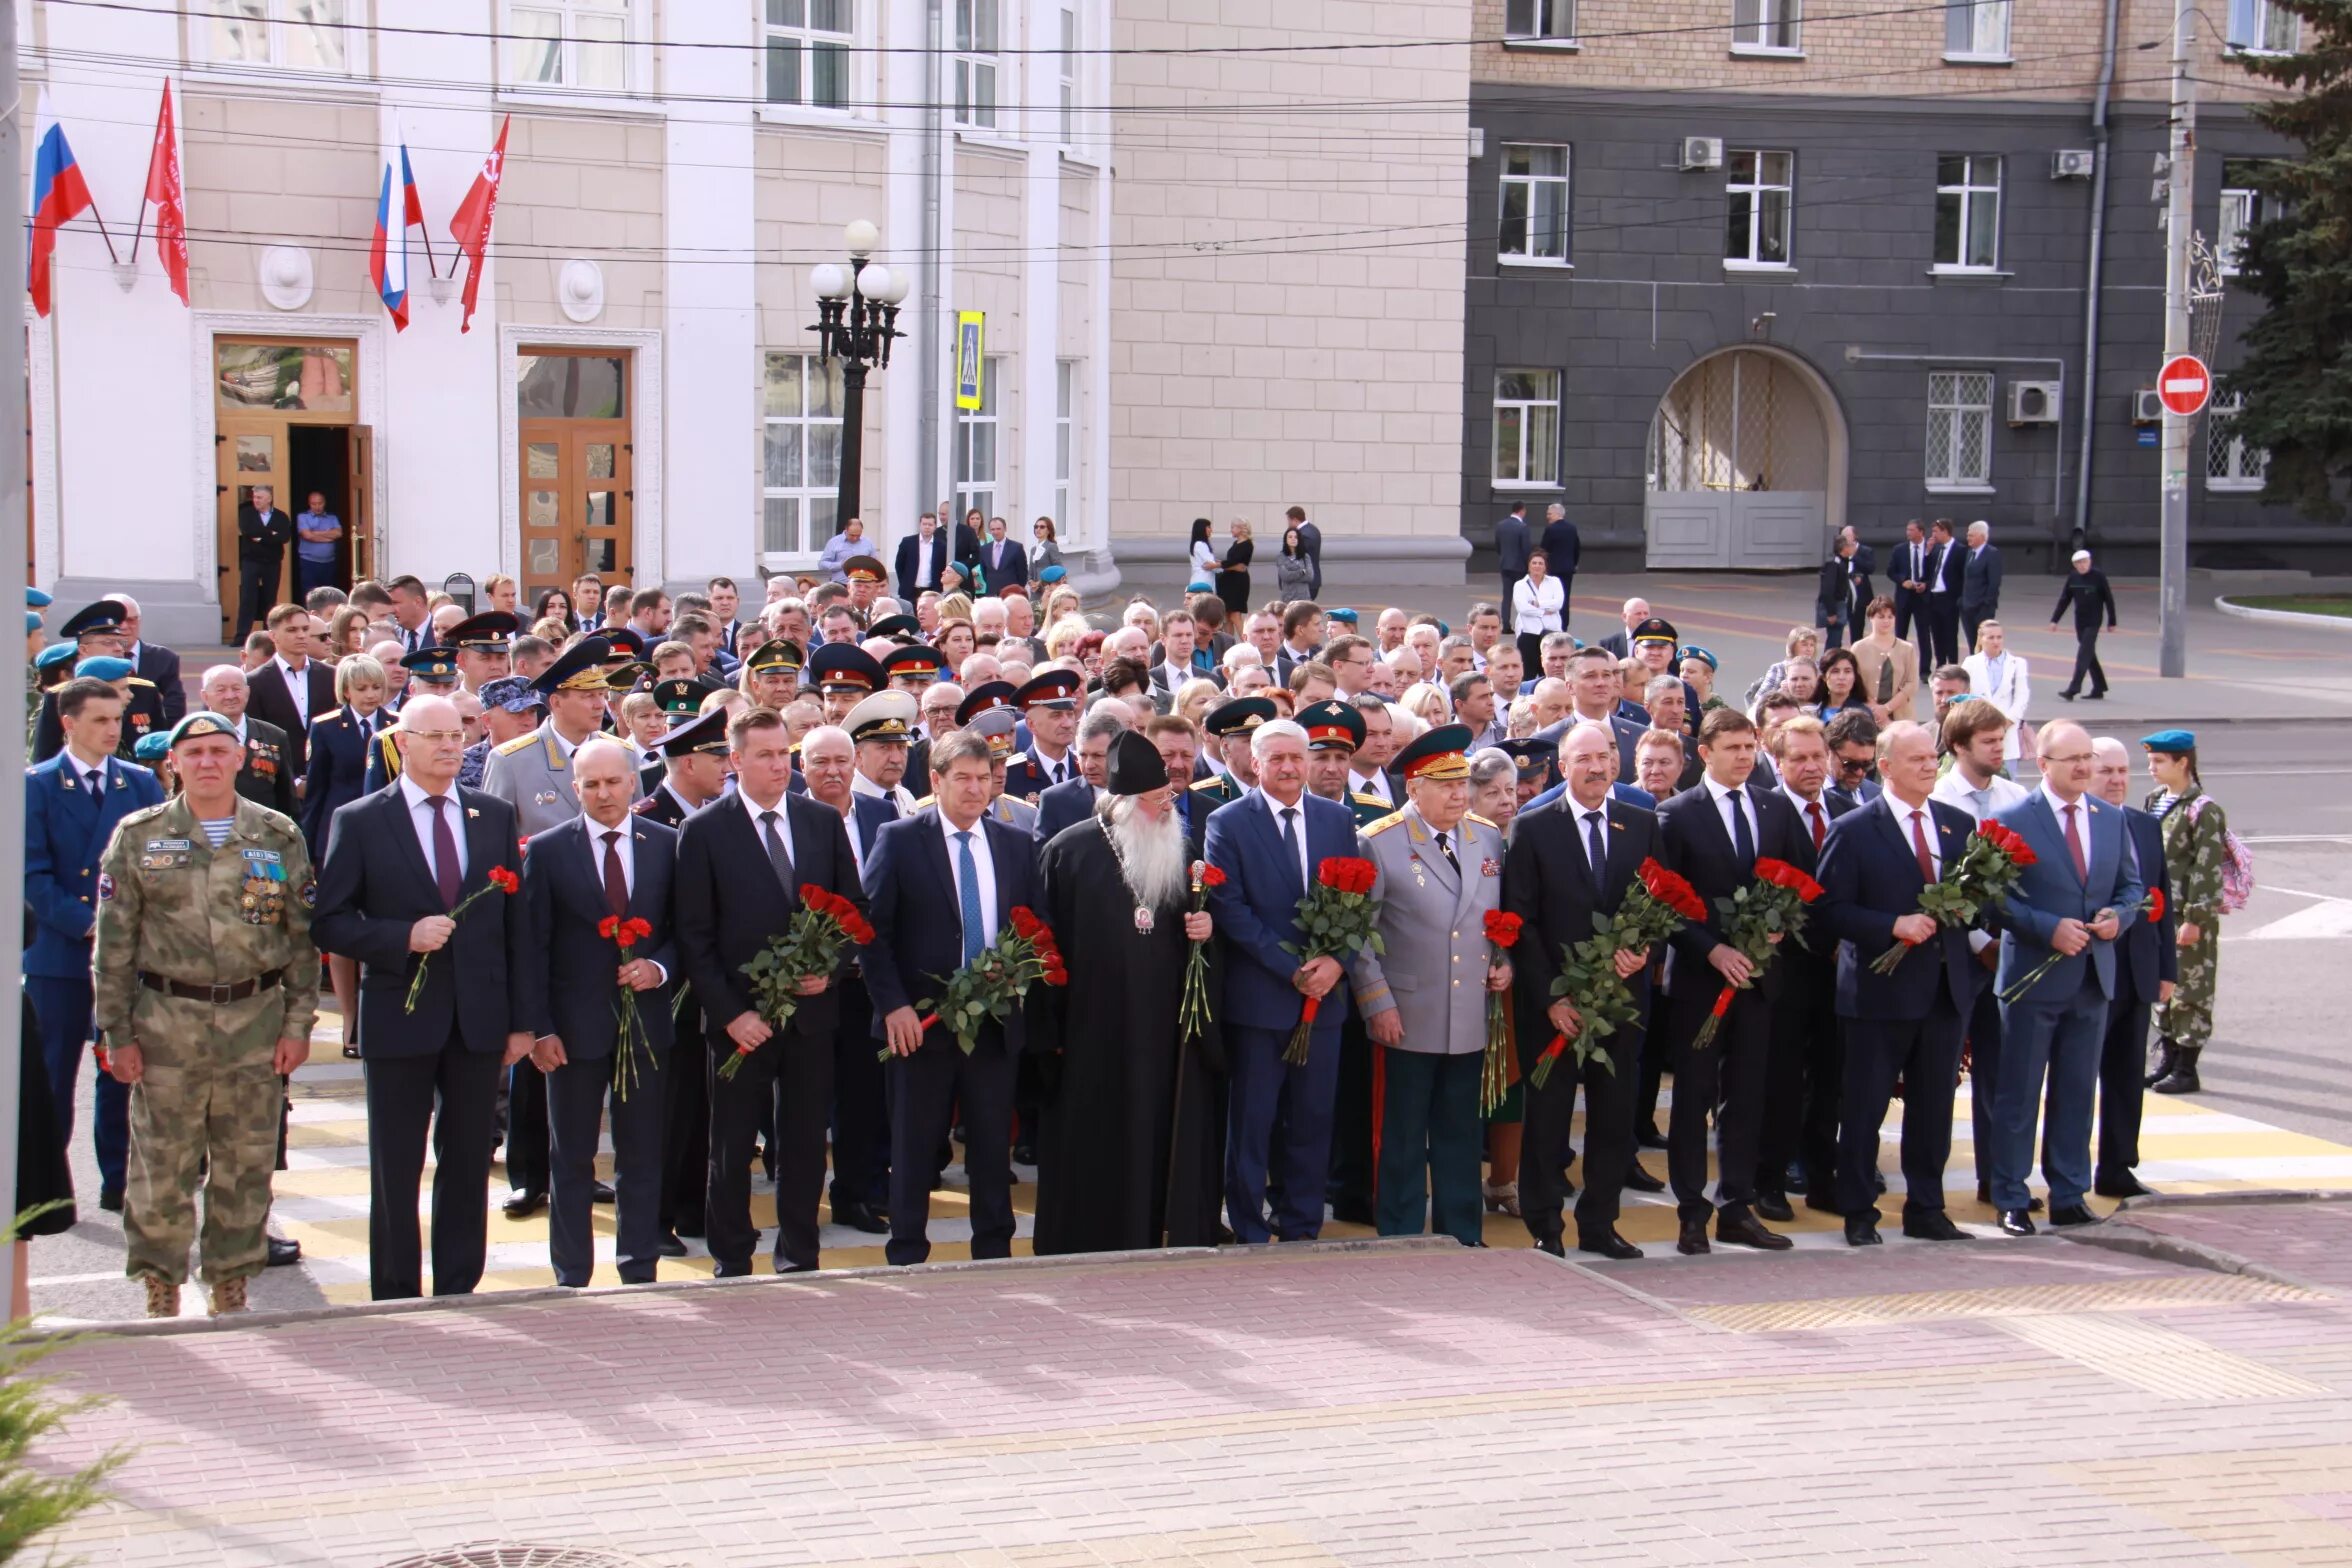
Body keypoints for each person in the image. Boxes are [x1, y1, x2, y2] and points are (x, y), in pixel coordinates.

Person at [91, 711, 317, 1318]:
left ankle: (231, 1280)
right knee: (161, 1164)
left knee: (245, 1164)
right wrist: (116, 1032)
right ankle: (161, 1283)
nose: (208, 763)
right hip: (167, 1022)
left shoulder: (276, 835)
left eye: (220, 751)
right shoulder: (138, 836)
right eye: (194, 754)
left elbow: (300, 941)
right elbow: (112, 945)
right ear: (174, 763)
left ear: (240, 758)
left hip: (254, 1023)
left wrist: (298, 1026)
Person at [313, 693, 535, 1300]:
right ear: (400, 742)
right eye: (432, 735)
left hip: (477, 1017)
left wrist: (520, 1022)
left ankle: (459, 1282)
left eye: (457, 735)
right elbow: (329, 921)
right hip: (400, 1015)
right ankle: (395, 1288)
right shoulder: (360, 819)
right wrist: (399, 937)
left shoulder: (490, 815)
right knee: (396, 1162)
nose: (447, 745)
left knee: (467, 1159)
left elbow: (513, 924)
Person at [674, 707, 864, 1275]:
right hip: (739, 1024)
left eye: (784, 753)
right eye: (765, 755)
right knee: (731, 1147)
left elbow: (854, 910)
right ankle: (732, 1258)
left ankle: (799, 1253)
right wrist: (731, 1015)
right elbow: (694, 937)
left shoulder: (821, 822)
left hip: (810, 1015)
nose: (780, 765)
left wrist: (830, 970)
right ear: (735, 761)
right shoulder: (704, 830)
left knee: (805, 1142)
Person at [1030, 731, 1221, 1253]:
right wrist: (1052, 1034)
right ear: (1129, 804)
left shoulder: (1183, 853)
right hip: (1092, 1032)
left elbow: (1200, 935)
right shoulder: (1067, 852)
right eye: (1160, 802)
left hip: (1163, 1032)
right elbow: (1042, 948)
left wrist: (1206, 926)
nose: (1168, 811)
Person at [864, 730, 1040, 1265]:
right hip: (919, 1024)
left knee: (991, 1144)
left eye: (984, 778)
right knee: (915, 1145)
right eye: (962, 778)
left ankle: (993, 1247)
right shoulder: (899, 839)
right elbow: (872, 933)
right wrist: (893, 1005)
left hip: (993, 1021)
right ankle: (907, 1250)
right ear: (935, 781)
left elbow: (1034, 929)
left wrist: (1017, 978)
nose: (974, 789)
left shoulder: (1014, 845)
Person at [1813, 719, 1979, 1246]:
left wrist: (1969, 906)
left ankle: (1926, 1207)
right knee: (1864, 1109)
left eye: (1932, 757)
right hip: (1879, 995)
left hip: (1943, 992)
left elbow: (1980, 899)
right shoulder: (1855, 829)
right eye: (1917, 760)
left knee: (1933, 1109)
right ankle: (1859, 1209)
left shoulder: (1956, 824)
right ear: (1885, 767)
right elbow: (1829, 911)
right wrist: (1892, 925)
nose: (1930, 765)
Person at [517, 737, 676, 1289]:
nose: (604, 794)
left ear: (634, 782)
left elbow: (683, 931)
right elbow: (532, 946)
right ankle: (572, 1272)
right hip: (572, 1030)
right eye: (592, 784)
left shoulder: (665, 845)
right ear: (574, 788)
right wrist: (540, 1028)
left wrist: (657, 968)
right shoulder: (549, 849)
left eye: (613, 782)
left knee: (641, 1152)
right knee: (572, 1157)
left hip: (646, 1026)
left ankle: (639, 1265)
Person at [1656, 708, 1814, 1255]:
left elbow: (1801, 878)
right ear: (1705, 752)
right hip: (1701, 983)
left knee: (1747, 1097)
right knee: (1693, 1097)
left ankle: (1736, 1206)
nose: (1744, 757)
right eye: (1733, 747)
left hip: (1759, 982)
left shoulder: (1774, 808)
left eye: (1750, 747)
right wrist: (1714, 948)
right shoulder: (1675, 816)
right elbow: (1663, 904)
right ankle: (1691, 1211)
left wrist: (1779, 929)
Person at [1341, 726, 1506, 1248]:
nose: (1460, 794)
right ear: (1414, 789)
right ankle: (1402, 1233)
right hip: (1407, 1013)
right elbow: (1359, 934)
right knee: (1404, 1136)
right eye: (1446, 784)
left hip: (1468, 1012)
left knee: (1461, 1133)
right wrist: (1377, 1004)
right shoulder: (1381, 840)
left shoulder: (1487, 835)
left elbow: (1495, 917)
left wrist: (1505, 962)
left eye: (1463, 782)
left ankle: (1462, 1233)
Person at [1504, 721, 1662, 1260]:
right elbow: (1520, 921)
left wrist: (1643, 949)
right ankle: (1545, 1224)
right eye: (1585, 758)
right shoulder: (1532, 827)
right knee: (1548, 1122)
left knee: (1614, 1119)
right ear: (1562, 767)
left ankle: (1601, 1222)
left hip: (1620, 1002)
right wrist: (1553, 998)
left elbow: (1656, 903)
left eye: (1606, 755)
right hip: (1554, 1008)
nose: (1598, 767)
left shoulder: (1641, 823)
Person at [1204, 717, 1362, 1243]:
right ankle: (1248, 1224)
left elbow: (1359, 903)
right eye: (1278, 759)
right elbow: (1230, 908)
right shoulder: (1227, 822)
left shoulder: (1337, 821)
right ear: (1255, 762)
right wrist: (1292, 968)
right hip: (1260, 1003)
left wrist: (1336, 962)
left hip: (1325, 1003)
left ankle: (1301, 1223)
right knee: (1253, 1122)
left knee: (1313, 1121)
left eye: (1299, 757)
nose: (1291, 767)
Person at [1986, 719, 2142, 1236]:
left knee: (2076, 1091)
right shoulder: (2011, 818)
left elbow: (2129, 887)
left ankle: (2069, 1193)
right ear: (2043, 763)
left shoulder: (2109, 818)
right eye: (2071, 759)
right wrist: (2046, 928)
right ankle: (2010, 1193)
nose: (2083, 767)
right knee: (2019, 1092)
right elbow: (1993, 896)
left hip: (2092, 979)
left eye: (2087, 759)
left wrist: (2119, 918)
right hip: (2032, 978)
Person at [25, 676, 167, 1216]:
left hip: (126, 957)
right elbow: (31, 873)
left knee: (121, 1071)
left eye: (117, 720)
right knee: (53, 1075)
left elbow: (160, 860)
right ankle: (47, 1190)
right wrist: (91, 923)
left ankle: (119, 1181)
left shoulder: (140, 784)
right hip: (61, 956)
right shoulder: (36, 785)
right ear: (69, 724)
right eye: (100, 720)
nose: (114, 730)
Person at [1754, 715, 1854, 1222]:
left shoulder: (1842, 806)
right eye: (1800, 758)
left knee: (1831, 1080)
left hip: (1840, 973)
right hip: (1785, 970)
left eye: (1819, 756)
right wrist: (1820, 940)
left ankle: (1821, 1177)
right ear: (1777, 761)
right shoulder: (1766, 812)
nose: (1813, 766)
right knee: (1783, 1082)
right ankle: (1768, 1180)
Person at [2091, 737, 2174, 1199]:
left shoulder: (2144, 825)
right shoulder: (2079, 825)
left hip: (2137, 972)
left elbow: (2162, 900)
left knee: (2125, 1077)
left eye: (2124, 771)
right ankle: (2067, 1168)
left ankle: (2118, 1166)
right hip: (2090, 972)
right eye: (2108, 771)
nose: (2118, 780)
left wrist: (2166, 968)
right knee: (2080, 1078)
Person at [2143, 729, 2226, 1095]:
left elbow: (2207, 870)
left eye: (2159, 761)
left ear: (2183, 763)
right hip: (2158, 913)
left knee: (2190, 989)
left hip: (2186, 916)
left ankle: (2187, 1068)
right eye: (2151, 760)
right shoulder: (2155, 800)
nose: (2151, 768)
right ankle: (2168, 1058)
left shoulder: (2203, 810)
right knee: (2161, 986)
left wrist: (2195, 918)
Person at [246, 604, 337, 781]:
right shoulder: (254, 682)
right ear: (273, 635)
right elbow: (256, 738)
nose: (301, 635)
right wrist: (292, 782)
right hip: (278, 782)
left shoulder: (331, 675)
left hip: (326, 779)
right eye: (292, 630)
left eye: (305, 629)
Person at [196, 664, 297, 819]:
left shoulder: (274, 736)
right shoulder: (191, 738)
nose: (230, 696)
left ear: (247, 692)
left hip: (261, 831)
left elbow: (287, 799)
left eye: (236, 688)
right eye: (221, 690)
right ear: (205, 696)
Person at [2052, 549, 2118, 701]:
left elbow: (2108, 598)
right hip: (2079, 621)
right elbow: (2065, 599)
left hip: (2094, 621)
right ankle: (2099, 687)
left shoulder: (2098, 577)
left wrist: (2112, 621)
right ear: (2074, 565)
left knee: (2083, 654)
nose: (2082, 566)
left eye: (2084, 562)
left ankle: (2073, 689)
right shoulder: (2073, 577)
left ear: (2090, 561)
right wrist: (2055, 620)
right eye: (2078, 563)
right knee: (2089, 654)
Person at [1962, 620, 2031, 764]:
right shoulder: (1970, 663)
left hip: (2007, 730)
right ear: (1981, 639)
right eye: (1991, 637)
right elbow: (1965, 696)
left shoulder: (2017, 663)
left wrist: (2007, 722)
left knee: (2007, 780)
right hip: (1979, 726)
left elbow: (2022, 696)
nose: (1996, 641)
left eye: (1999, 637)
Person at [115, 597, 186, 727]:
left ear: (139, 622)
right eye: (118, 620)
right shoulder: (92, 660)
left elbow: (175, 709)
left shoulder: (164, 658)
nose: (124, 626)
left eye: (131, 620)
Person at [235, 485, 293, 640]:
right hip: (251, 561)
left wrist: (262, 537)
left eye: (259, 497)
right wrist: (271, 535)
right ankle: (241, 636)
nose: (256, 500)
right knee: (248, 597)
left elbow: (284, 537)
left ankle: (270, 637)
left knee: (270, 598)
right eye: (254, 497)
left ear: (269, 499)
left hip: (272, 562)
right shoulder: (246, 514)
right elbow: (248, 531)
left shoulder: (281, 516)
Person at [1848, 598, 1917, 727]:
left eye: (1890, 617)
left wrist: (1887, 708)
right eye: (1881, 617)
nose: (1886, 621)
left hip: (1900, 715)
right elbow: (1855, 681)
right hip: (1866, 714)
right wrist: (1874, 708)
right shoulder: (1858, 648)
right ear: (1871, 618)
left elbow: (1911, 683)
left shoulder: (1907, 648)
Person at [1509, 549, 1565, 679]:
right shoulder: (1520, 585)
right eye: (1534, 563)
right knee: (1528, 671)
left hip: (1552, 631)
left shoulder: (1554, 582)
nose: (1537, 566)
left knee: (1548, 671)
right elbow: (1522, 608)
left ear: (1545, 566)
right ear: (1529, 566)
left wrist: (1537, 603)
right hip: (1529, 631)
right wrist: (1544, 611)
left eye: (1540, 563)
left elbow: (1558, 604)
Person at [1922, 518, 1964, 671]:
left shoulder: (1959, 550)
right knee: (1936, 634)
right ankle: (1940, 664)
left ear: (1945, 531)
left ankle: (1952, 665)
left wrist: (1958, 597)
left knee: (1950, 634)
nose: (1933, 535)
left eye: (1935, 531)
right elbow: (1927, 571)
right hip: (1934, 597)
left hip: (1949, 598)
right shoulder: (1936, 549)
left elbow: (1962, 576)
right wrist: (1927, 551)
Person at [1959, 520, 2003, 655]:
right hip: (1967, 606)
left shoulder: (1992, 554)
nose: (1968, 538)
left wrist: (1986, 604)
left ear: (1982, 536)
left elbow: (1994, 582)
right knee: (1972, 643)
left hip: (1982, 608)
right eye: (1968, 535)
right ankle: (1975, 670)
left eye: (1971, 535)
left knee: (1983, 643)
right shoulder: (1970, 553)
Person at [1891, 519, 1931, 664]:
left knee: (1924, 634)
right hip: (1904, 596)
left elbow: (1936, 572)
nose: (1908, 532)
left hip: (1922, 597)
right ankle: (1899, 665)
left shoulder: (1931, 548)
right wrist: (1902, 581)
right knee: (1900, 633)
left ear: (1921, 532)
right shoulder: (1899, 550)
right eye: (1907, 529)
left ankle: (1924, 669)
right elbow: (1891, 571)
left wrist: (1926, 584)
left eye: (1912, 530)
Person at [294, 491, 342, 600]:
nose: (317, 507)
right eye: (313, 504)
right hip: (309, 562)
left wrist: (315, 533)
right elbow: (307, 535)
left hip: (329, 562)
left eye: (320, 503)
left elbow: (338, 533)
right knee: (310, 594)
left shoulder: (332, 518)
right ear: (309, 504)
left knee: (329, 594)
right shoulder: (303, 517)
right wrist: (328, 536)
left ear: (324, 503)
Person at [1816, 532, 1859, 651]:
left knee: (1836, 639)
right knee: (1834, 641)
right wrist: (1831, 612)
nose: (1853, 548)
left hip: (1841, 605)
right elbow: (1827, 590)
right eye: (1851, 545)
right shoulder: (1834, 565)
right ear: (1844, 548)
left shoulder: (1843, 563)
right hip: (1836, 606)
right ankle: (1828, 664)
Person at [1538, 503, 1580, 618]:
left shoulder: (1550, 529)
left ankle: (1554, 621)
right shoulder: (1572, 528)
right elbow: (1576, 548)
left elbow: (1543, 549)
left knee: (1552, 596)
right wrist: (1574, 564)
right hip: (1568, 568)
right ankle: (1564, 623)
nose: (1547, 516)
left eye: (1549, 514)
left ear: (1557, 514)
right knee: (1565, 596)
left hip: (1553, 569)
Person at [1495, 501, 1531, 615]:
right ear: (1522, 511)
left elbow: (1498, 545)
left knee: (1507, 596)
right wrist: (1528, 565)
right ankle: (1522, 622)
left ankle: (1505, 623)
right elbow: (1526, 549)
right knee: (1522, 596)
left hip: (1505, 565)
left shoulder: (1501, 525)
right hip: (1520, 567)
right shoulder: (1523, 527)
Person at [1287, 504, 1323, 598]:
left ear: (1295, 520)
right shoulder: (1313, 529)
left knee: (1298, 611)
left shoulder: (1303, 535)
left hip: (1304, 583)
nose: (1288, 524)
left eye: (1289, 521)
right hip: (1311, 581)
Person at [1274, 525, 1313, 602]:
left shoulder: (1305, 556)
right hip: (1288, 599)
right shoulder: (1281, 556)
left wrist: (1292, 574)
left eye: (1296, 537)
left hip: (1304, 599)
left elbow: (1309, 576)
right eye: (1290, 537)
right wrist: (1302, 572)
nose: (1293, 539)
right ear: (1286, 539)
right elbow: (1285, 576)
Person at [1187, 518, 1221, 590]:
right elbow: (1210, 564)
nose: (1211, 530)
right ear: (1202, 529)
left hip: (1200, 581)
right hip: (1203, 582)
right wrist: (1223, 566)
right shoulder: (1200, 544)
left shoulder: (1197, 544)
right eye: (1208, 527)